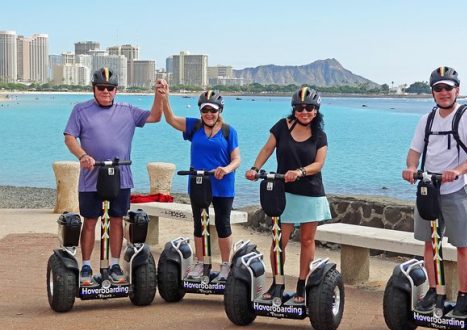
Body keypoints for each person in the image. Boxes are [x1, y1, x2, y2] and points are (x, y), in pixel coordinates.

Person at [64, 67, 164, 286]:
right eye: (101, 88)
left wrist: (159, 95)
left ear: (116, 90)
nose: (106, 92)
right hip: (92, 175)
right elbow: (70, 137)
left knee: (117, 220)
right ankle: (87, 267)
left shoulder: (127, 110)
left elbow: (155, 117)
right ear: (93, 89)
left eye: (110, 88)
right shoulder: (80, 110)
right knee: (90, 221)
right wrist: (82, 155)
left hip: (121, 175)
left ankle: (116, 265)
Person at [402, 66, 467, 317]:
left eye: (447, 88)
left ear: (457, 90)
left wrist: (458, 171)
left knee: (462, 245)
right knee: (429, 243)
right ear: (433, 92)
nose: (443, 93)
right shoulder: (426, 119)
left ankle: (462, 296)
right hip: (429, 188)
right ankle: (434, 289)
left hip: (457, 188)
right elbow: (414, 150)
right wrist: (410, 167)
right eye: (438, 88)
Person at [245, 86, 331, 303]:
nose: (305, 112)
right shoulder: (282, 127)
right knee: (278, 240)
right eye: (300, 108)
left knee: (307, 239)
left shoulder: (320, 135)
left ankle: (302, 286)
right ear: (294, 109)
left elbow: (319, 164)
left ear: (316, 110)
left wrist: (300, 172)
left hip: (310, 192)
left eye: (310, 108)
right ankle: (277, 283)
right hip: (284, 192)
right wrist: (255, 168)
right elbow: (267, 149)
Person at [160, 82, 241, 281]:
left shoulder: (229, 131)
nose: (208, 114)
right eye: (205, 110)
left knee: (222, 224)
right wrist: (164, 97)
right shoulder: (194, 126)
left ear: (219, 111)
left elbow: (237, 159)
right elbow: (170, 119)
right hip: (198, 182)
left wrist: (226, 169)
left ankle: (224, 265)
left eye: (212, 110)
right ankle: (201, 262)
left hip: (222, 184)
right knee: (199, 224)